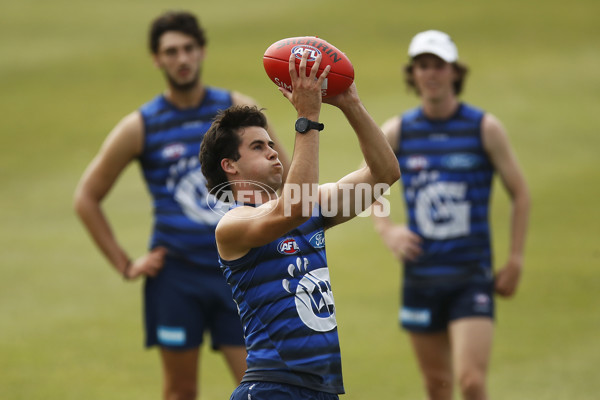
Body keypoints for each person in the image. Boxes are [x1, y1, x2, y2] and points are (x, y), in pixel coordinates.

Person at [73, 11, 290, 400]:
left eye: (189, 48)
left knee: (261, 386)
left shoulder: (237, 110)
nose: (182, 58)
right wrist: (126, 263)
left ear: (202, 51)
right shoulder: (142, 125)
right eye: (171, 51)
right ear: (157, 59)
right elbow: (86, 198)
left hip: (239, 272)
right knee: (179, 391)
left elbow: (287, 179)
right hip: (175, 279)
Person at [198, 50, 400, 399]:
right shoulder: (233, 226)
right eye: (258, 147)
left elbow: (383, 174)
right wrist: (307, 116)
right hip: (272, 389)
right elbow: (294, 209)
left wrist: (350, 104)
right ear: (230, 165)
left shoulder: (308, 210)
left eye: (272, 145)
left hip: (321, 391)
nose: (274, 152)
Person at [371, 30, 530, 400]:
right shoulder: (398, 131)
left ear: (455, 72)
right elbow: (369, 184)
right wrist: (387, 230)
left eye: (438, 65)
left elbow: (519, 193)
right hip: (421, 276)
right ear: (412, 74)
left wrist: (516, 258)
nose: (430, 74)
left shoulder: (483, 128)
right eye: (422, 66)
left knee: (471, 382)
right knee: (436, 387)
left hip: (471, 277)